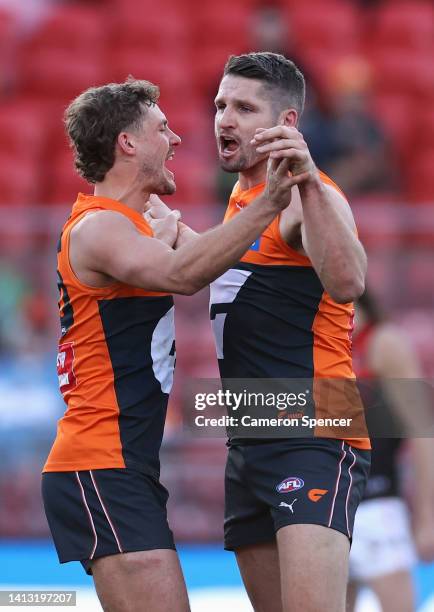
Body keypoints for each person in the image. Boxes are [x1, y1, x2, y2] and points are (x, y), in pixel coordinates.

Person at [41, 77, 302, 612]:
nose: (178, 139)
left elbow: (205, 261)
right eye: (163, 129)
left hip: (121, 466)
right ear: (127, 144)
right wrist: (272, 201)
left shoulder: (131, 225)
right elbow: (186, 275)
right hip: (101, 463)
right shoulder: (98, 229)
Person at [209, 52, 370, 612]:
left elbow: (349, 280)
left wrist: (310, 184)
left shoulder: (308, 196)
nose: (225, 119)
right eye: (221, 105)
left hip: (312, 433)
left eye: (245, 108)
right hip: (249, 439)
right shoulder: (245, 200)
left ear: (287, 124)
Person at [347, 289, 434, 612]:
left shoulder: (382, 344)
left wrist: (427, 516)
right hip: (326, 508)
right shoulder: (313, 344)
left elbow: (423, 433)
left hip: (377, 505)